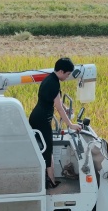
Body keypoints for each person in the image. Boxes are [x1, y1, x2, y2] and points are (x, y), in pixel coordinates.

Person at [29, 57, 83, 189]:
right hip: (41, 119)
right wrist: (71, 125)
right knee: (48, 150)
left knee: (47, 148)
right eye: (68, 74)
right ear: (61, 71)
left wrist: (66, 109)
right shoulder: (54, 83)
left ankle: (49, 179)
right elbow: (58, 107)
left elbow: (57, 101)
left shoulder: (50, 79)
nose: (68, 76)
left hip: (39, 117)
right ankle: (51, 181)